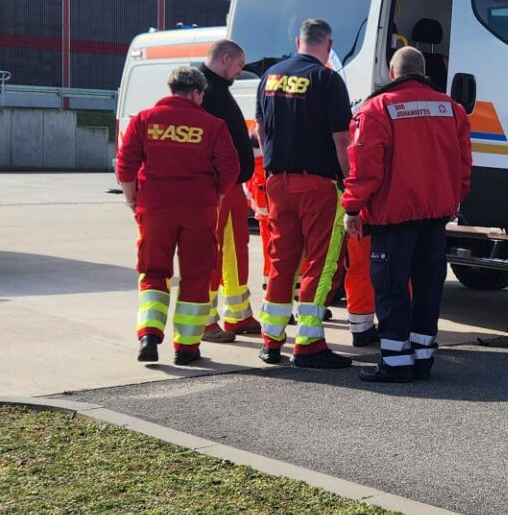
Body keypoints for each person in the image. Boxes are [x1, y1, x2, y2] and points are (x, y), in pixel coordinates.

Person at [341, 47, 473, 383]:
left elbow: (366, 166)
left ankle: (396, 364)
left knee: (391, 289)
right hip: (435, 217)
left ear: (392, 70)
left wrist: (352, 207)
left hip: (393, 219)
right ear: (423, 71)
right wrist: (452, 199)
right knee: (428, 289)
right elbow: (463, 166)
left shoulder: (377, 109)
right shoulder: (452, 109)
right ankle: (423, 359)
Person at [116, 66, 238, 365]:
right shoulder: (213, 125)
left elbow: (125, 165)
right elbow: (230, 167)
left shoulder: (144, 120)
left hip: (155, 209)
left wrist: (132, 199)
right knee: (196, 276)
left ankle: (149, 334)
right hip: (199, 209)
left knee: (154, 273)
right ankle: (186, 347)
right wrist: (218, 195)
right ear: (196, 93)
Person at [253, 18, 354, 368]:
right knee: (320, 262)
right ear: (328, 45)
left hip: (278, 181)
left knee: (282, 261)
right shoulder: (328, 79)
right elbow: (342, 140)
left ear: (298, 40)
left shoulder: (270, 76)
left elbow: (262, 129)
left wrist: (272, 167)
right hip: (318, 185)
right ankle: (308, 344)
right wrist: (350, 181)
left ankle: (271, 340)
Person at [195, 38, 260, 345]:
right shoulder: (203, 91)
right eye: (239, 64)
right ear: (225, 58)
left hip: (231, 186)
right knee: (212, 254)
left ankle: (238, 314)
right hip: (214, 187)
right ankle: (206, 322)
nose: (241, 70)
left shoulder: (217, 90)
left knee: (236, 249)